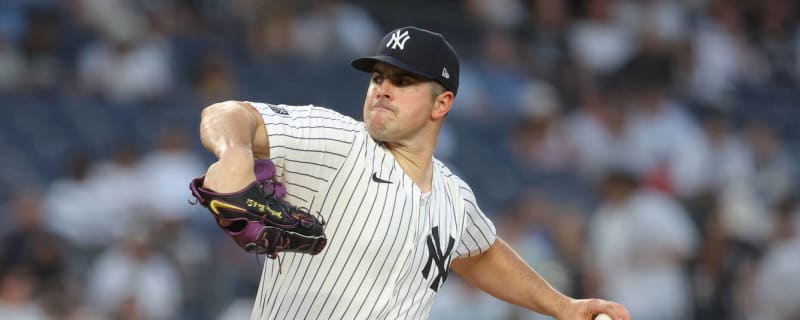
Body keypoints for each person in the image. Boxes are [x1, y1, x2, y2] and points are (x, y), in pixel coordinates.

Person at [198, 26, 630, 320]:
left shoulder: (453, 195)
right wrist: (234, 149)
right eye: (378, 77)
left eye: (403, 81)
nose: (382, 88)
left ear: (441, 104)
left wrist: (562, 307)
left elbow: (480, 252)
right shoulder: (340, 142)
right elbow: (228, 113)